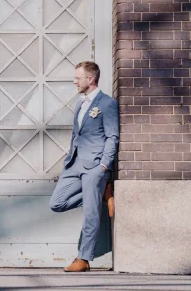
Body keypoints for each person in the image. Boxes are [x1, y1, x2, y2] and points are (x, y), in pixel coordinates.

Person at [49, 61, 119, 272]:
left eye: (77, 78)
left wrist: (104, 166)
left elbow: (112, 136)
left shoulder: (107, 104)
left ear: (90, 79)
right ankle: (103, 193)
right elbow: (76, 133)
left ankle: (84, 259)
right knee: (57, 202)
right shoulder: (80, 103)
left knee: (91, 213)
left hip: (94, 167)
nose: (74, 81)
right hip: (74, 164)